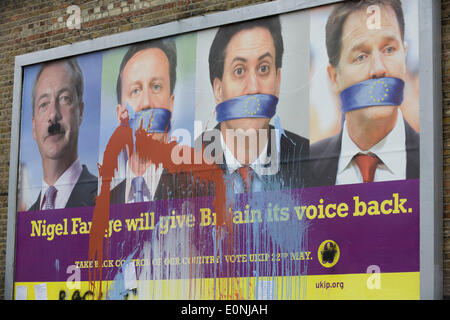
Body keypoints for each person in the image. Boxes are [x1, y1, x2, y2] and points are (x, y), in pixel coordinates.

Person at [155, 16, 309, 200]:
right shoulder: (179, 171)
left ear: (277, 81)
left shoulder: (307, 159)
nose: (253, 88)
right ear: (218, 89)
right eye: (239, 70)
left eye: (263, 69)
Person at [310, 0, 419, 187]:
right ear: (334, 77)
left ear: (404, 54)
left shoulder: (434, 155)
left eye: (389, 49)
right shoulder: (304, 168)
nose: (379, 69)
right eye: (361, 56)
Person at [110, 39, 177, 204]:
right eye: (135, 90)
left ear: (171, 104)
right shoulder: (102, 204)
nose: (146, 103)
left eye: (156, 87)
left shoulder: (195, 191)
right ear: (120, 115)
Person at [28, 58, 98, 211]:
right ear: (34, 127)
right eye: (44, 104)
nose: (53, 114)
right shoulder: (24, 220)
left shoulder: (107, 199)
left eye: (64, 99)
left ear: (80, 112)